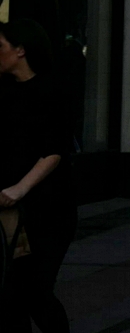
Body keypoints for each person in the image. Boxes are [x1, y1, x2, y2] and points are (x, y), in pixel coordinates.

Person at [0, 19, 74, 333]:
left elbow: (55, 150)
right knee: (9, 294)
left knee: (36, 292)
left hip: (47, 211)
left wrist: (20, 188)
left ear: (20, 50)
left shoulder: (50, 89)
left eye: (0, 47)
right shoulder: (3, 91)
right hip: (7, 211)